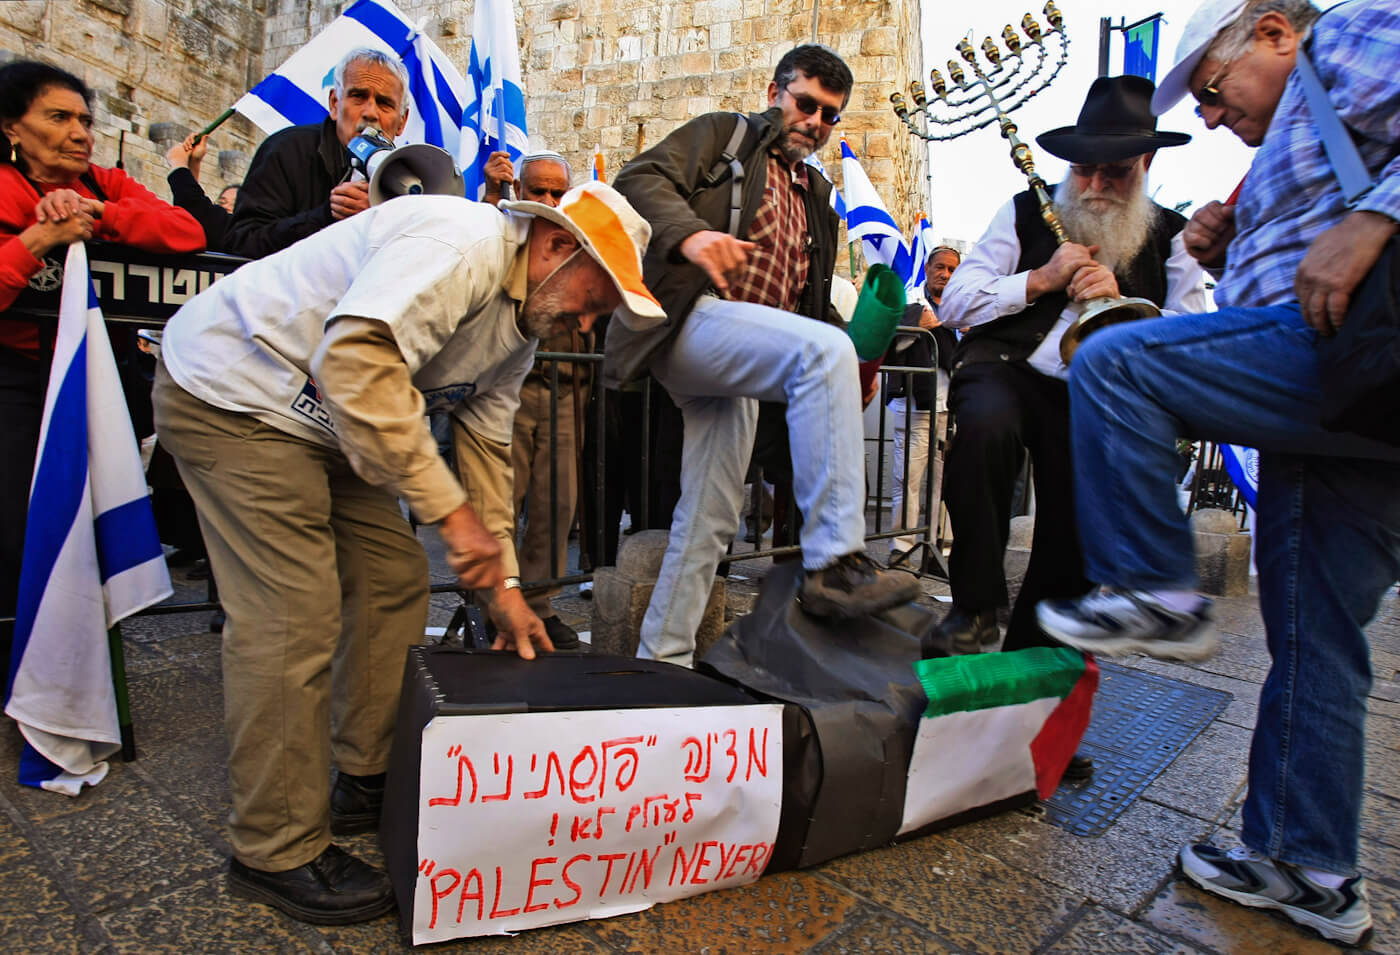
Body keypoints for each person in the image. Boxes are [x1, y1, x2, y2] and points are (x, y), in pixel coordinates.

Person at [153, 182, 664, 924]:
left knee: (394, 575)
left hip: (328, 422)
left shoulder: (518, 332)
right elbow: (357, 361)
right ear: (555, 247)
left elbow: (488, 455)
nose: (591, 319)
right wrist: (453, 521)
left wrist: (505, 590)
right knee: (294, 608)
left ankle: (363, 774)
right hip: (235, 390)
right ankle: (275, 847)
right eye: (598, 295)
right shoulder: (459, 243)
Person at [1036, 1, 1400, 945]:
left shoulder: (1352, 33)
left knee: (1117, 358)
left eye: (1211, 90)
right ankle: (1306, 862)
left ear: (1275, 32)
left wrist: (1375, 217)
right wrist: (1234, 238)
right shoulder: (1294, 127)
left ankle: (1156, 586)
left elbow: (1357, 225)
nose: (1207, 116)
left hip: (1340, 360)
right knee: (1317, 634)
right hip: (1348, 400)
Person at [607, 44, 919, 668]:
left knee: (709, 520)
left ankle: (660, 660)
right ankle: (835, 561)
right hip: (689, 321)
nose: (815, 121)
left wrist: (854, 361)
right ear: (777, 91)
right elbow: (637, 178)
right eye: (806, 104)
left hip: (743, 356)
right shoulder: (727, 136)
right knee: (820, 354)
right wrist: (692, 234)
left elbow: (810, 302)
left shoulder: (817, 195)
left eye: (830, 116)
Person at [933, 75, 1207, 659]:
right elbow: (955, 303)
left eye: (1116, 170)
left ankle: (1033, 703)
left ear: (1146, 162)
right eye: (1084, 169)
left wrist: (1129, 306)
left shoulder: (1175, 240)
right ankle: (974, 607)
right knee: (984, 428)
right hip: (1007, 367)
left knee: (1075, 536)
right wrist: (1040, 280)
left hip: (1097, 397)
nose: (1097, 184)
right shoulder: (1024, 212)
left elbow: (1190, 337)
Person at [0, 61, 204, 672]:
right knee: (15, 524)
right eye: (58, 117)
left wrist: (97, 211)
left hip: (84, 376)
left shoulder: (103, 181)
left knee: (87, 517)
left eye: (85, 119)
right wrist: (41, 237)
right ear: (13, 127)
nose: (79, 132)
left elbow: (185, 228)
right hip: (11, 376)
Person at [485, 150, 588, 648]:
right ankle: (492, 604)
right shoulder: (506, 239)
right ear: (520, 193)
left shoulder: (578, 244)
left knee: (556, 505)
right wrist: (490, 193)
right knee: (502, 501)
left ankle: (540, 606)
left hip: (567, 392)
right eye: (538, 191)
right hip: (512, 390)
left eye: (557, 192)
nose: (548, 200)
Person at [225, 47, 409, 258]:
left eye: (385, 104)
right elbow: (242, 241)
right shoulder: (286, 150)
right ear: (334, 103)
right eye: (358, 96)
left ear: (401, 122)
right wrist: (327, 216)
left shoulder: (410, 176)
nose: (370, 113)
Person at [885, 246, 960, 561]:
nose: (945, 274)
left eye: (952, 269)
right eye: (940, 267)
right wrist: (921, 322)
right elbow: (890, 334)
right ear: (927, 268)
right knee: (908, 478)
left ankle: (938, 547)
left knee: (944, 481)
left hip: (951, 407)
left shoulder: (962, 306)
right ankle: (902, 546)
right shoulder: (911, 301)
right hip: (916, 405)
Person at [165, 132, 234, 251]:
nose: (226, 207)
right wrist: (193, 161)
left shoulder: (245, 234)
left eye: (235, 204)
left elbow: (200, 212)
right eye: (222, 202)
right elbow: (193, 220)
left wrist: (178, 163)